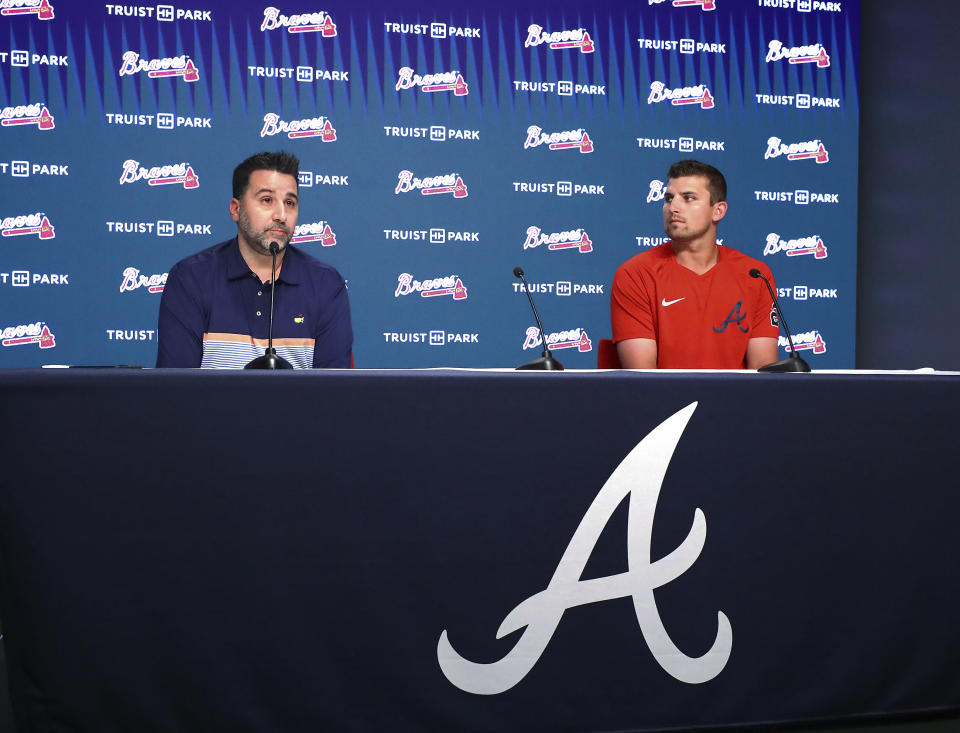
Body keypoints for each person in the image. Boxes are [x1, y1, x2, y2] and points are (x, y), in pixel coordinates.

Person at [156, 151, 352, 368]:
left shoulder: (325, 284)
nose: (281, 215)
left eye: (290, 203)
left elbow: (334, 394)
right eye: (267, 200)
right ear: (236, 209)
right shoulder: (191, 279)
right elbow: (175, 391)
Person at [610, 160, 779, 369]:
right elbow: (643, 377)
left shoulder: (755, 275)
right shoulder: (636, 274)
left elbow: (763, 370)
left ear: (718, 211)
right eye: (669, 198)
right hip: (665, 401)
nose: (673, 207)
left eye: (688, 198)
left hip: (735, 400)